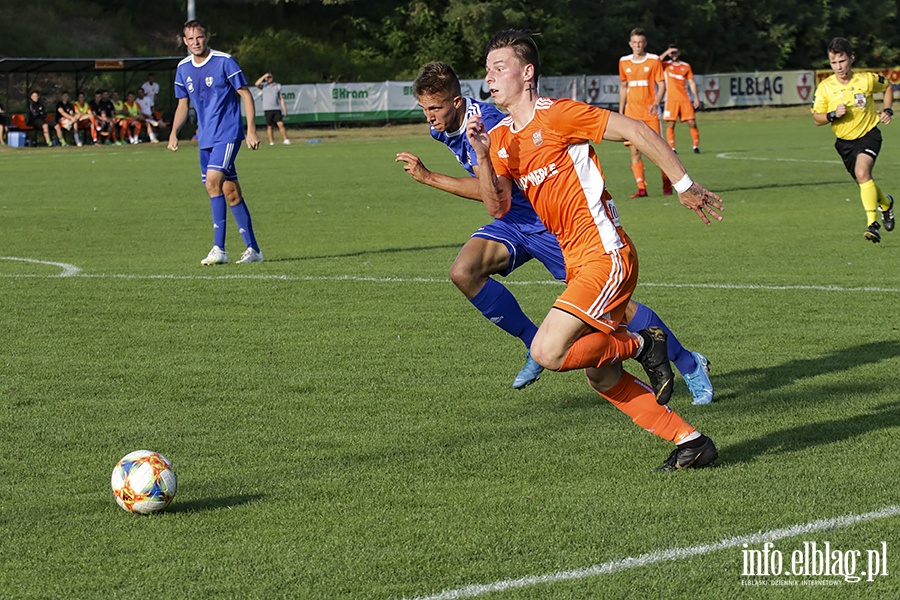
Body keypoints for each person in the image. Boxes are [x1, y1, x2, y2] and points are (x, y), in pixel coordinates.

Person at [466, 30, 724, 470]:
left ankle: (644, 344)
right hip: (580, 262)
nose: (489, 78)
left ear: (527, 74)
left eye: (499, 68)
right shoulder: (503, 138)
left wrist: (682, 184)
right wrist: (484, 157)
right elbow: (498, 206)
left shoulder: (559, 115)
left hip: (606, 255)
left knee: (548, 352)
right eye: (487, 70)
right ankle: (691, 442)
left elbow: (636, 128)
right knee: (600, 374)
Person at [396, 61, 714, 404]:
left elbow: (491, 192)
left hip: (549, 223)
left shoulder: (486, 122)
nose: (429, 116)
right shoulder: (441, 128)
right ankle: (534, 344)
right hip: (513, 222)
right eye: (424, 109)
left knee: (620, 309)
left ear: (456, 102)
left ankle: (689, 362)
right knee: (464, 271)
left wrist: (430, 178)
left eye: (434, 108)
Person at [168, 19, 264, 265]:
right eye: (190, 39)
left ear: (206, 36)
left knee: (212, 183)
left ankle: (218, 249)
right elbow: (182, 104)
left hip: (228, 133)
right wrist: (173, 132)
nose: (195, 43)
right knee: (229, 191)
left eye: (199, 37)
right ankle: (254, 250)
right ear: (184, 41)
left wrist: (251, 130)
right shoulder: (183, 67)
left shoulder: (224, 61)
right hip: (205, 138)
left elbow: (245, 93)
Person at [812, 37, 894, 243]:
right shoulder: (825, 87)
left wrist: (888, 109)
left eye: (842, 61)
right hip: (844, 143)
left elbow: (889, 87)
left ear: (852, 58)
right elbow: (817, 119)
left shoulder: (866, 80)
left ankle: (872, 225)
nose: (838, 67)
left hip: (869, 134)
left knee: (862, 172)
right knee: (864, 182)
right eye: (833, 62)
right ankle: (886, 204)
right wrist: (832, 115)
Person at [619, 28, 671, 198]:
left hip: (650, 113)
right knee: (634, 151)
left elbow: (661, 85)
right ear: (630, 44)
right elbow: (623, 87)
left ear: (645, 44)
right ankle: (641, 188)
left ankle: (667, 182)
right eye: (634, 42)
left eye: (640, 42)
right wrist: (620, 112)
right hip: (632, 113)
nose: (637, 45)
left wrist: (656, 103)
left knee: (658, 151)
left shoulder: (654, 60)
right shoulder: (624, 62)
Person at [659, 44, 701, 154]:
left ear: (679, 53)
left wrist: (696, 97)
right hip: (671, 99)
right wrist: (666, 52)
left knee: (692, 122)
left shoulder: (686, 66)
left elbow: (691, 82)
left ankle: (695, 146)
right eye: (671, 53)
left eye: (675, 52)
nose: (673, 55)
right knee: (671, 124)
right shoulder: (665, 65)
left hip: (684, 99)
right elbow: (655, 62)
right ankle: (672, 148)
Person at [254, 72, 291, 145]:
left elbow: (281, 98)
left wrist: (285, 109)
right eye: (267, 78)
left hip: (276, 108)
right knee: (270, 126)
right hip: (267, 109)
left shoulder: (277, 86)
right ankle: (271, 142)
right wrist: (264, 76)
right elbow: (256, 84)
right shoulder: (264, 86)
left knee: (280, 124)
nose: (268, 79)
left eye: (269, 77)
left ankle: (285, 139)